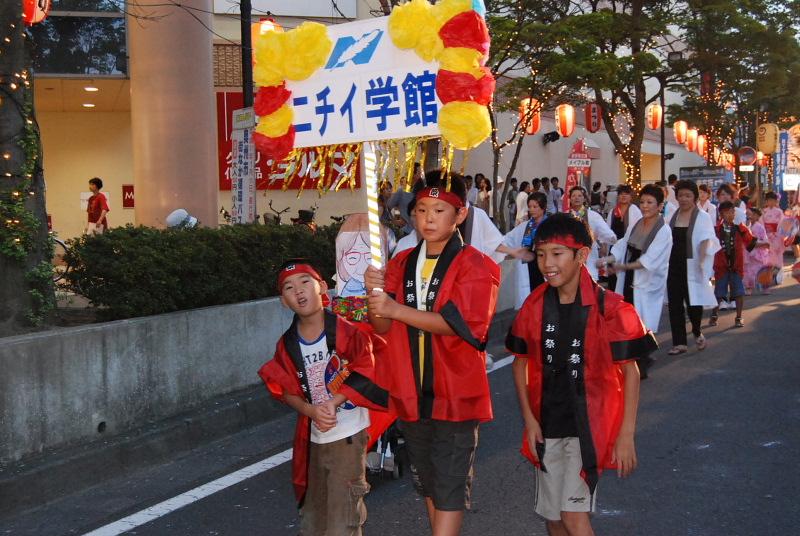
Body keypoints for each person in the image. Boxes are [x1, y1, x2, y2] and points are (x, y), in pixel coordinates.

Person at [365, 174, 500, 536]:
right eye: (421, 209)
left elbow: (464, 325)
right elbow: (380, 327)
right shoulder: (401, 261)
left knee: (450, 487)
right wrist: (373, 295)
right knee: (427, 482)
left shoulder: (476, 265)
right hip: (411, 392)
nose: (427, 218)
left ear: (460, 214)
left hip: (455, 392)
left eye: (439, 210)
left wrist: (395, 310)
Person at [507, 213, 655, 536]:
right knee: (554, 517)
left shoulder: (610, 309)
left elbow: (630, 371)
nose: (547, 263)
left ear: (582, 255)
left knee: (573, 516)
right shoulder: (533, 306)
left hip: (587, 428)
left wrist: (626, 433)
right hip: (547, 426)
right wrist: (530, 420)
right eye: (542, 254)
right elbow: (519, 363)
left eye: (557, 254)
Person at [258, 260, 387, 536]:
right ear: (284, 301)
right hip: (313, 438)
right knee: (313, 520)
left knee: (343, 520)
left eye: (306, 282)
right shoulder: (287, 344)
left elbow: (368, 366)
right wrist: (309, 409)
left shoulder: (346, 331)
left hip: (349, 433)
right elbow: (284, 388)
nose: (299, 291)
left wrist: (334, 400)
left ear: (322, 287)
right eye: (289, 288)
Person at [599, 184, 672, 378]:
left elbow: (651, 260)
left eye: (650, 203)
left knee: (641, 320)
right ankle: (639, 359)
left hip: (646, 281)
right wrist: (610, 259)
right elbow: (623, 244)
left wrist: (624, 267)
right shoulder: (637, 223)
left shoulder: (663, 231)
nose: (645, 206)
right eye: (643, 202)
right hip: (630, 275)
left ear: (660, 205)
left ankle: (641, 360)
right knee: (630, 319)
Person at [666, 180, 721, 355]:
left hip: (693, 265)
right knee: (675, 304)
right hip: (673, 265)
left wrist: (703, 260)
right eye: (680, 195)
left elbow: (707, 239)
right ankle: (679, 343)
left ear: (695, 198)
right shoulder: (672, 217)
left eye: (688, 195)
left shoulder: (702, 217)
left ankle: (697, 331)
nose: (683, 199)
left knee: (693, 304)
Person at [709, 202, 757, 329]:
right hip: (721, 265)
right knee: (719, 293)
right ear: (721, 214)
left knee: (739, 292)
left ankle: (739, 317)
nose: (732, 214)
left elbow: (751, 243)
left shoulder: (739, 228)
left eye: (733, 212)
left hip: (736, 265)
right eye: (728, 212)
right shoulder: (716, 230)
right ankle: (714, 314)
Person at [503, 191, 549, 308]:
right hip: (529, 267)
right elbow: (507, 239)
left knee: (545, 302)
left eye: (535, 206)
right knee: (530, 304)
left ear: (543, 207)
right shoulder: (525, 226)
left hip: (546, 266)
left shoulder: (551, 226)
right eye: (529, 207)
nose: (531, 210)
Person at [566, 186, 617, 281]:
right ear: (570, 198)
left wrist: (603, 241)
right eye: (574, 196)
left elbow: (609, 235)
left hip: (589, 259)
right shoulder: (565, 217)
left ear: (584, 198)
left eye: (580, 195)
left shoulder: (593, 215)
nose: (576, 198)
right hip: (570, 260)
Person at [386, 162, 423, 236]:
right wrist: (399, 218)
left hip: (419, 231)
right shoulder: (401, 190)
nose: (421, 175)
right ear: (412, 174)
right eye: (419, 173)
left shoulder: (421, 188)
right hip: (406, 231)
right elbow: (390, 205)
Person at [743, 207, 770, 294]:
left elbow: (765, 239)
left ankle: (765, 287)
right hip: (748, 252)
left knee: (760, 270)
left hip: (758, 252)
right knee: (748, 272)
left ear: (758, 216)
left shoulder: (760, 227)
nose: (751, 216)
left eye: (754, 214)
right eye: (749, 214)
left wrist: (758, 243)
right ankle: (749, 288)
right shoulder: (746, 226)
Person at [762, 191, 786, 269]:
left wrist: (777, 232)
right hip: (767, 235)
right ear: (766, 201)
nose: (771, 202)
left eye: (772, 200)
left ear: (776, 201)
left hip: (776, 235)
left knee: (777, 253)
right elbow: (761, 222)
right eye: (769, 200)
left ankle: (778, 271)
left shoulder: (779, 212)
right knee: (767, 252)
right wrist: (764, 232)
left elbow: (782, 222)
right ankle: (768, 271)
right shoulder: (764, 211)